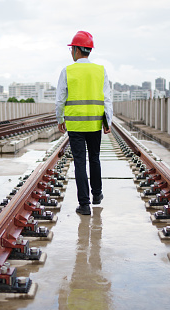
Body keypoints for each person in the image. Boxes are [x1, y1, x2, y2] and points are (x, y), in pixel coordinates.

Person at [55, 30, 113, 216]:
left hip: (75, 125)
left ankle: (85, 205)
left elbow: (60, 99)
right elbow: (107, 99)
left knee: (80, 162)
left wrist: (60, 119)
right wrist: (108, 121)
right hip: (95, 124)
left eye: (72, 49)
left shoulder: (68, 71)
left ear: (77, 50)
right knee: (94, 158)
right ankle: (97, 195)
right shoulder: (100, 70)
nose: (71, 52)